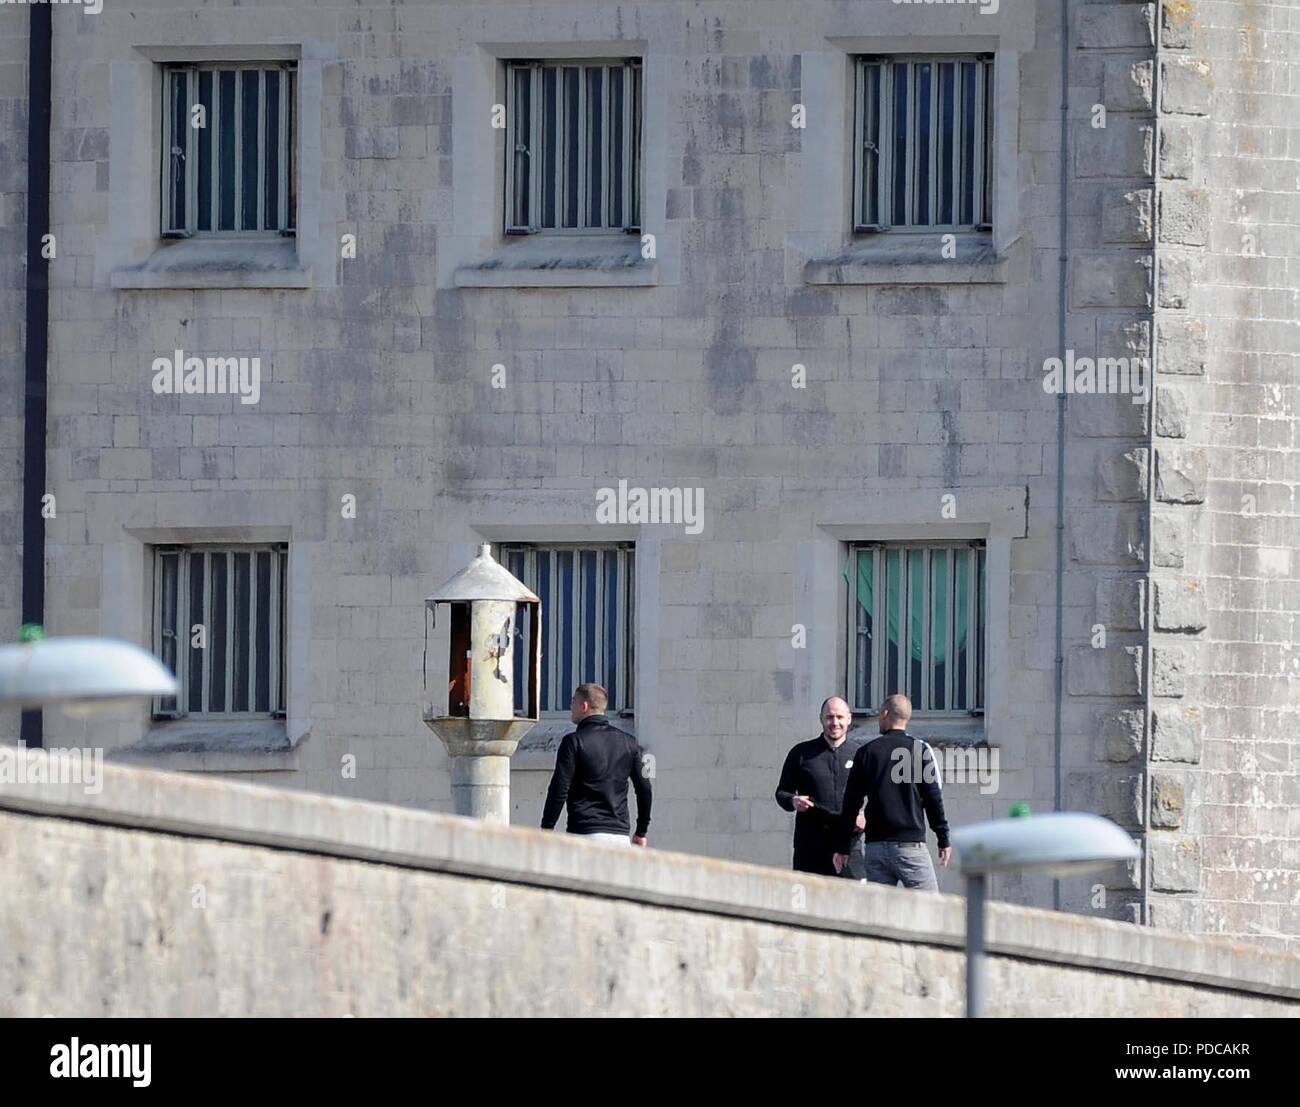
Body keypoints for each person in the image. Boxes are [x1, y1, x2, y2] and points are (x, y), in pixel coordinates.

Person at [833, 693, 951, 891]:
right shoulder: (919, 751)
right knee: (930, 910)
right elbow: (933, 799)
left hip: (876, 846)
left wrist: (842, 847)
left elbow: (851, 802)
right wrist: (943, 837)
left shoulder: (866, 752)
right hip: (910, 846)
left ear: (885, 713)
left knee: (878, 914)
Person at [541, 683, 652, 847]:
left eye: (573, 702)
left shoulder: (573, 742)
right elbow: (645, 789)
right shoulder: (630, 743)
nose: (571, 706)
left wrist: (546, 829)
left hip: (584, 835)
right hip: (620, 838)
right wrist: (641, 831)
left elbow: (559, 789)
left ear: (584, 706)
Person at [774, 696, 867, 878]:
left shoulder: (861, 754)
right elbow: (781, 792)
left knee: (854, 904)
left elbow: (881, 796)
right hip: (810, 848)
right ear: (821, 719)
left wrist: (867, 817)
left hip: (849, 847)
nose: (834, 723)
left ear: (849, 718)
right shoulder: (801, 753)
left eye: (839, 717)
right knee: (805, 905)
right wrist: (793, 801)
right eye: (829, 717)